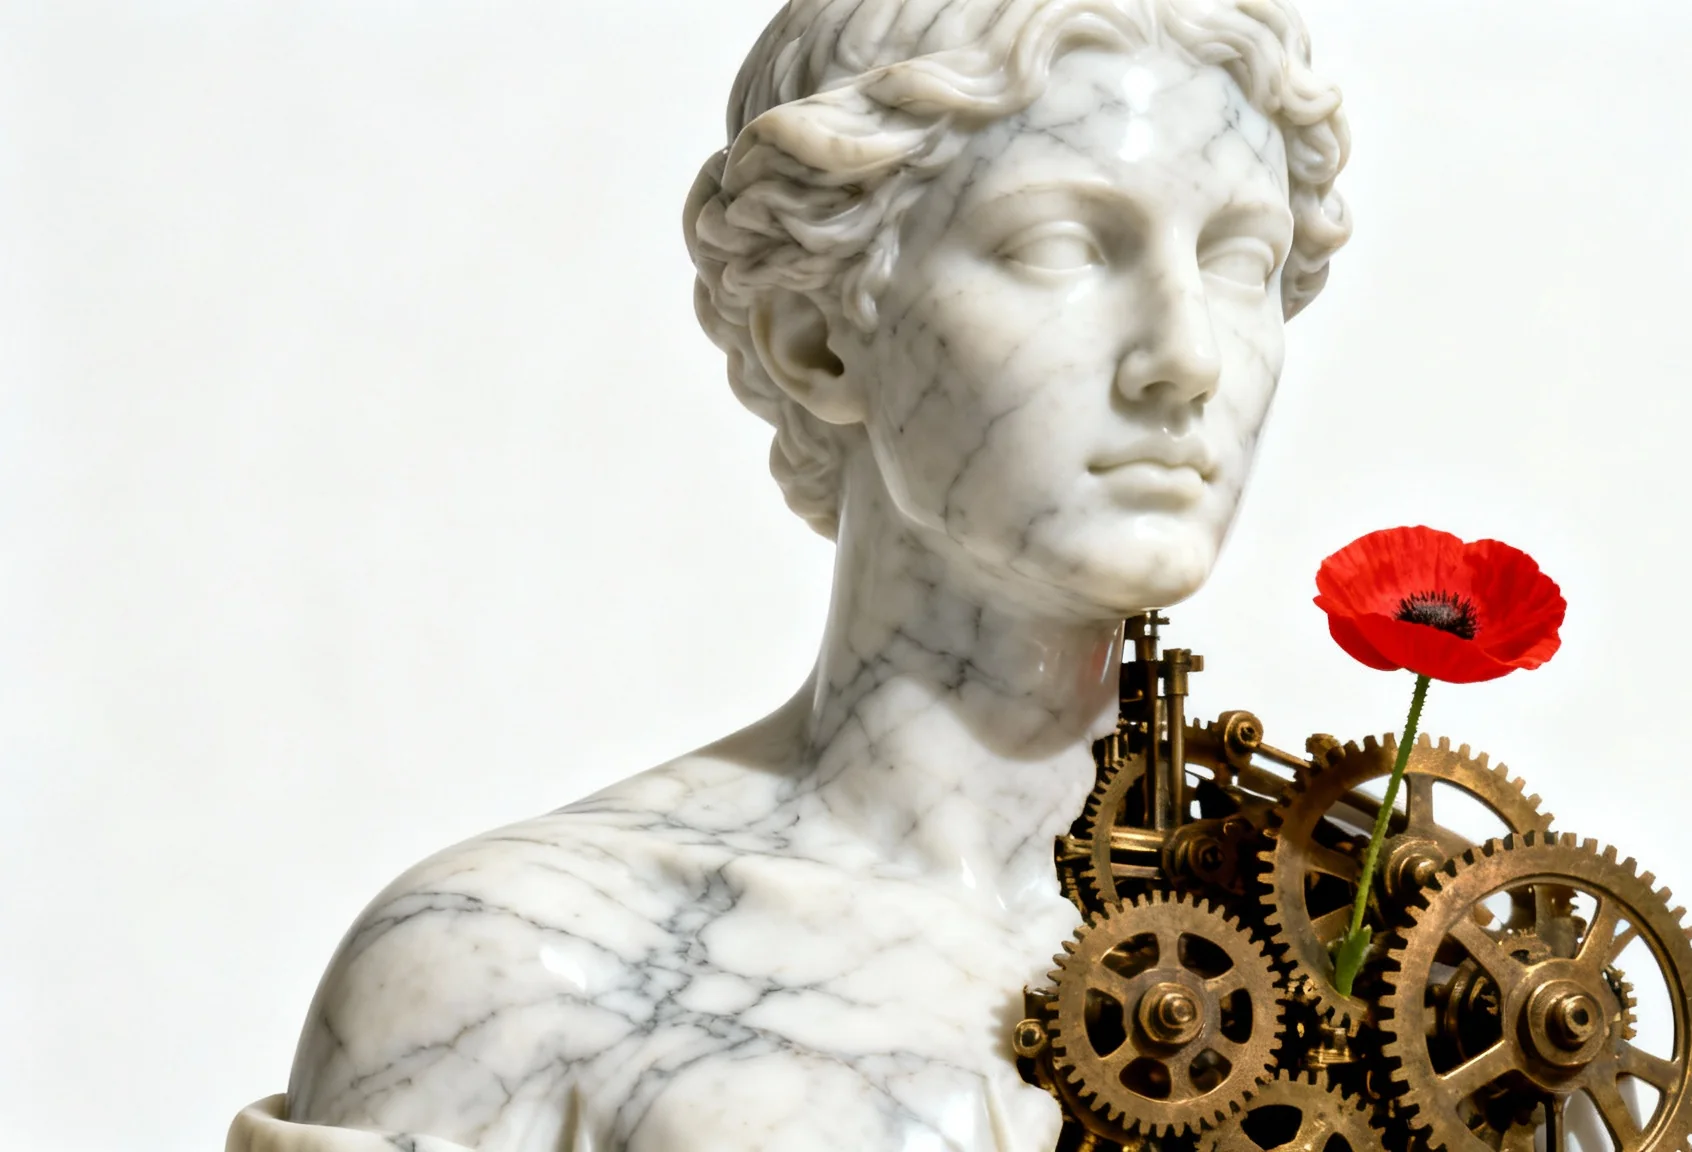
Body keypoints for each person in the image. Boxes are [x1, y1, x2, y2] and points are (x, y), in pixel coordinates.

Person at [228, 1, 1350, 1148]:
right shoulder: (510, 982)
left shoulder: (1413, 963)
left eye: (1237, 261)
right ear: (809, 335)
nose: (1187, 359)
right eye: (1059, 245)